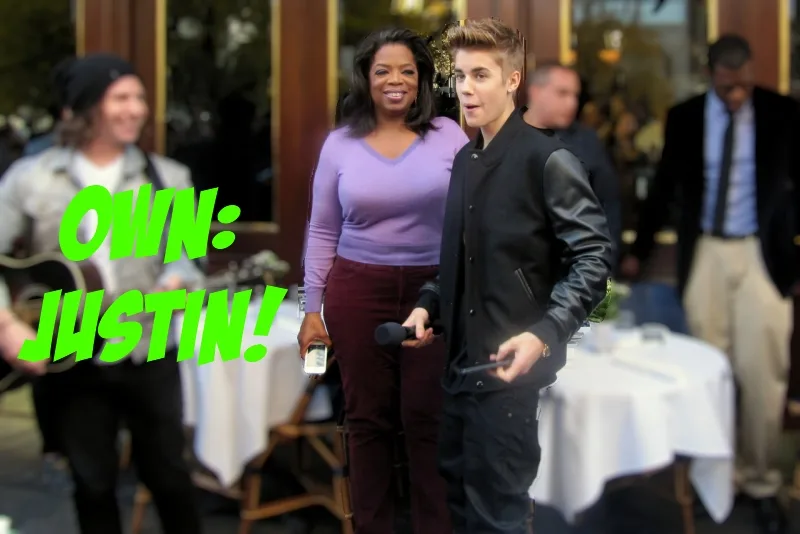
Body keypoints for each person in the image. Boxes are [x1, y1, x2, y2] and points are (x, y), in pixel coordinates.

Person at [402, 19, 613, 534]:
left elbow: (593, 259)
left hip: (510, 377)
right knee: (459, 506)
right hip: (458, 370)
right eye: (461, 76)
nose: (466, 89)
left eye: (481, 76)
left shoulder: (550, 160)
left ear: (513, 81)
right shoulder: (464, 160)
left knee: (498, 518)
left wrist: (544, 334)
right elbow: (461, 260)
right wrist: (428, 303)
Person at [0, 53, 204, 534]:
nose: (137, 109)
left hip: (148, 349)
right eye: (121, 98)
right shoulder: (30, 178)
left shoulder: (169, 178)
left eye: (139, 98)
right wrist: (7, 325)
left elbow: (188, 261)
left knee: (170, 477)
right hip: (70, 354)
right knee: (91, 484)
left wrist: (179, 281)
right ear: (86, 107)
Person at [621, 34, 800, 534]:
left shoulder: (784, 113)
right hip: (706, 256)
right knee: (707, 374)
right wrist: (638, 251)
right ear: (711, 75)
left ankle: (761, 482)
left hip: (763, 256)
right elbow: (663, 188)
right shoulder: (686, 117)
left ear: (751, 72)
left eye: (744, 85)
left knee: (764, 375)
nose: (737, 95)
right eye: (727, 87)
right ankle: (714, 480)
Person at [298, 28, 469, 534]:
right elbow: (322, 229)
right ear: (365, 79)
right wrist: (312, 309)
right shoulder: (339, 144)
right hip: (357, 290)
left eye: (407, 71)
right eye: (383, 71)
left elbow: (473, 219)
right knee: (368, 420)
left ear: (422, 80)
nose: (396, 80)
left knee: (427, 418)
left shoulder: (449, 134)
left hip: (432, 291)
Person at [522, 61, 622, 263]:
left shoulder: (588, 142)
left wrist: (606, 261)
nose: (572, 103)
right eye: (562, 93)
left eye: (575, 95)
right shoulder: (508, 139)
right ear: (535, 92)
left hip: (578, 267)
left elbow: (608, 202)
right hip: (522, 268)